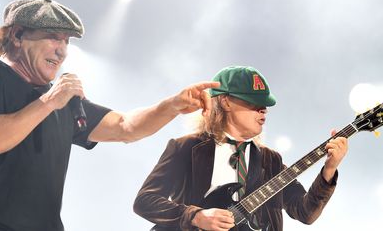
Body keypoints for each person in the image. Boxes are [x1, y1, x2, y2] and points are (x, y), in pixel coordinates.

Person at [0, 0, 220, 231]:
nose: (62, 50)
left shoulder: (64, 101)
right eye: (53, 37)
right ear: (17, 36)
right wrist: (49, 101)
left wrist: (171, 105)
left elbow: (126, 127)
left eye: (66, 41)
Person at [133, 66, 348, 231]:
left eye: (265, 104)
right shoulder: (186, 148)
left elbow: (305, 212)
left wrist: (329, 170)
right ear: (225, 102)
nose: (263, 109)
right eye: (254, 102)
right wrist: (195, 216)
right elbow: (145, 201)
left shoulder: (270, 160)